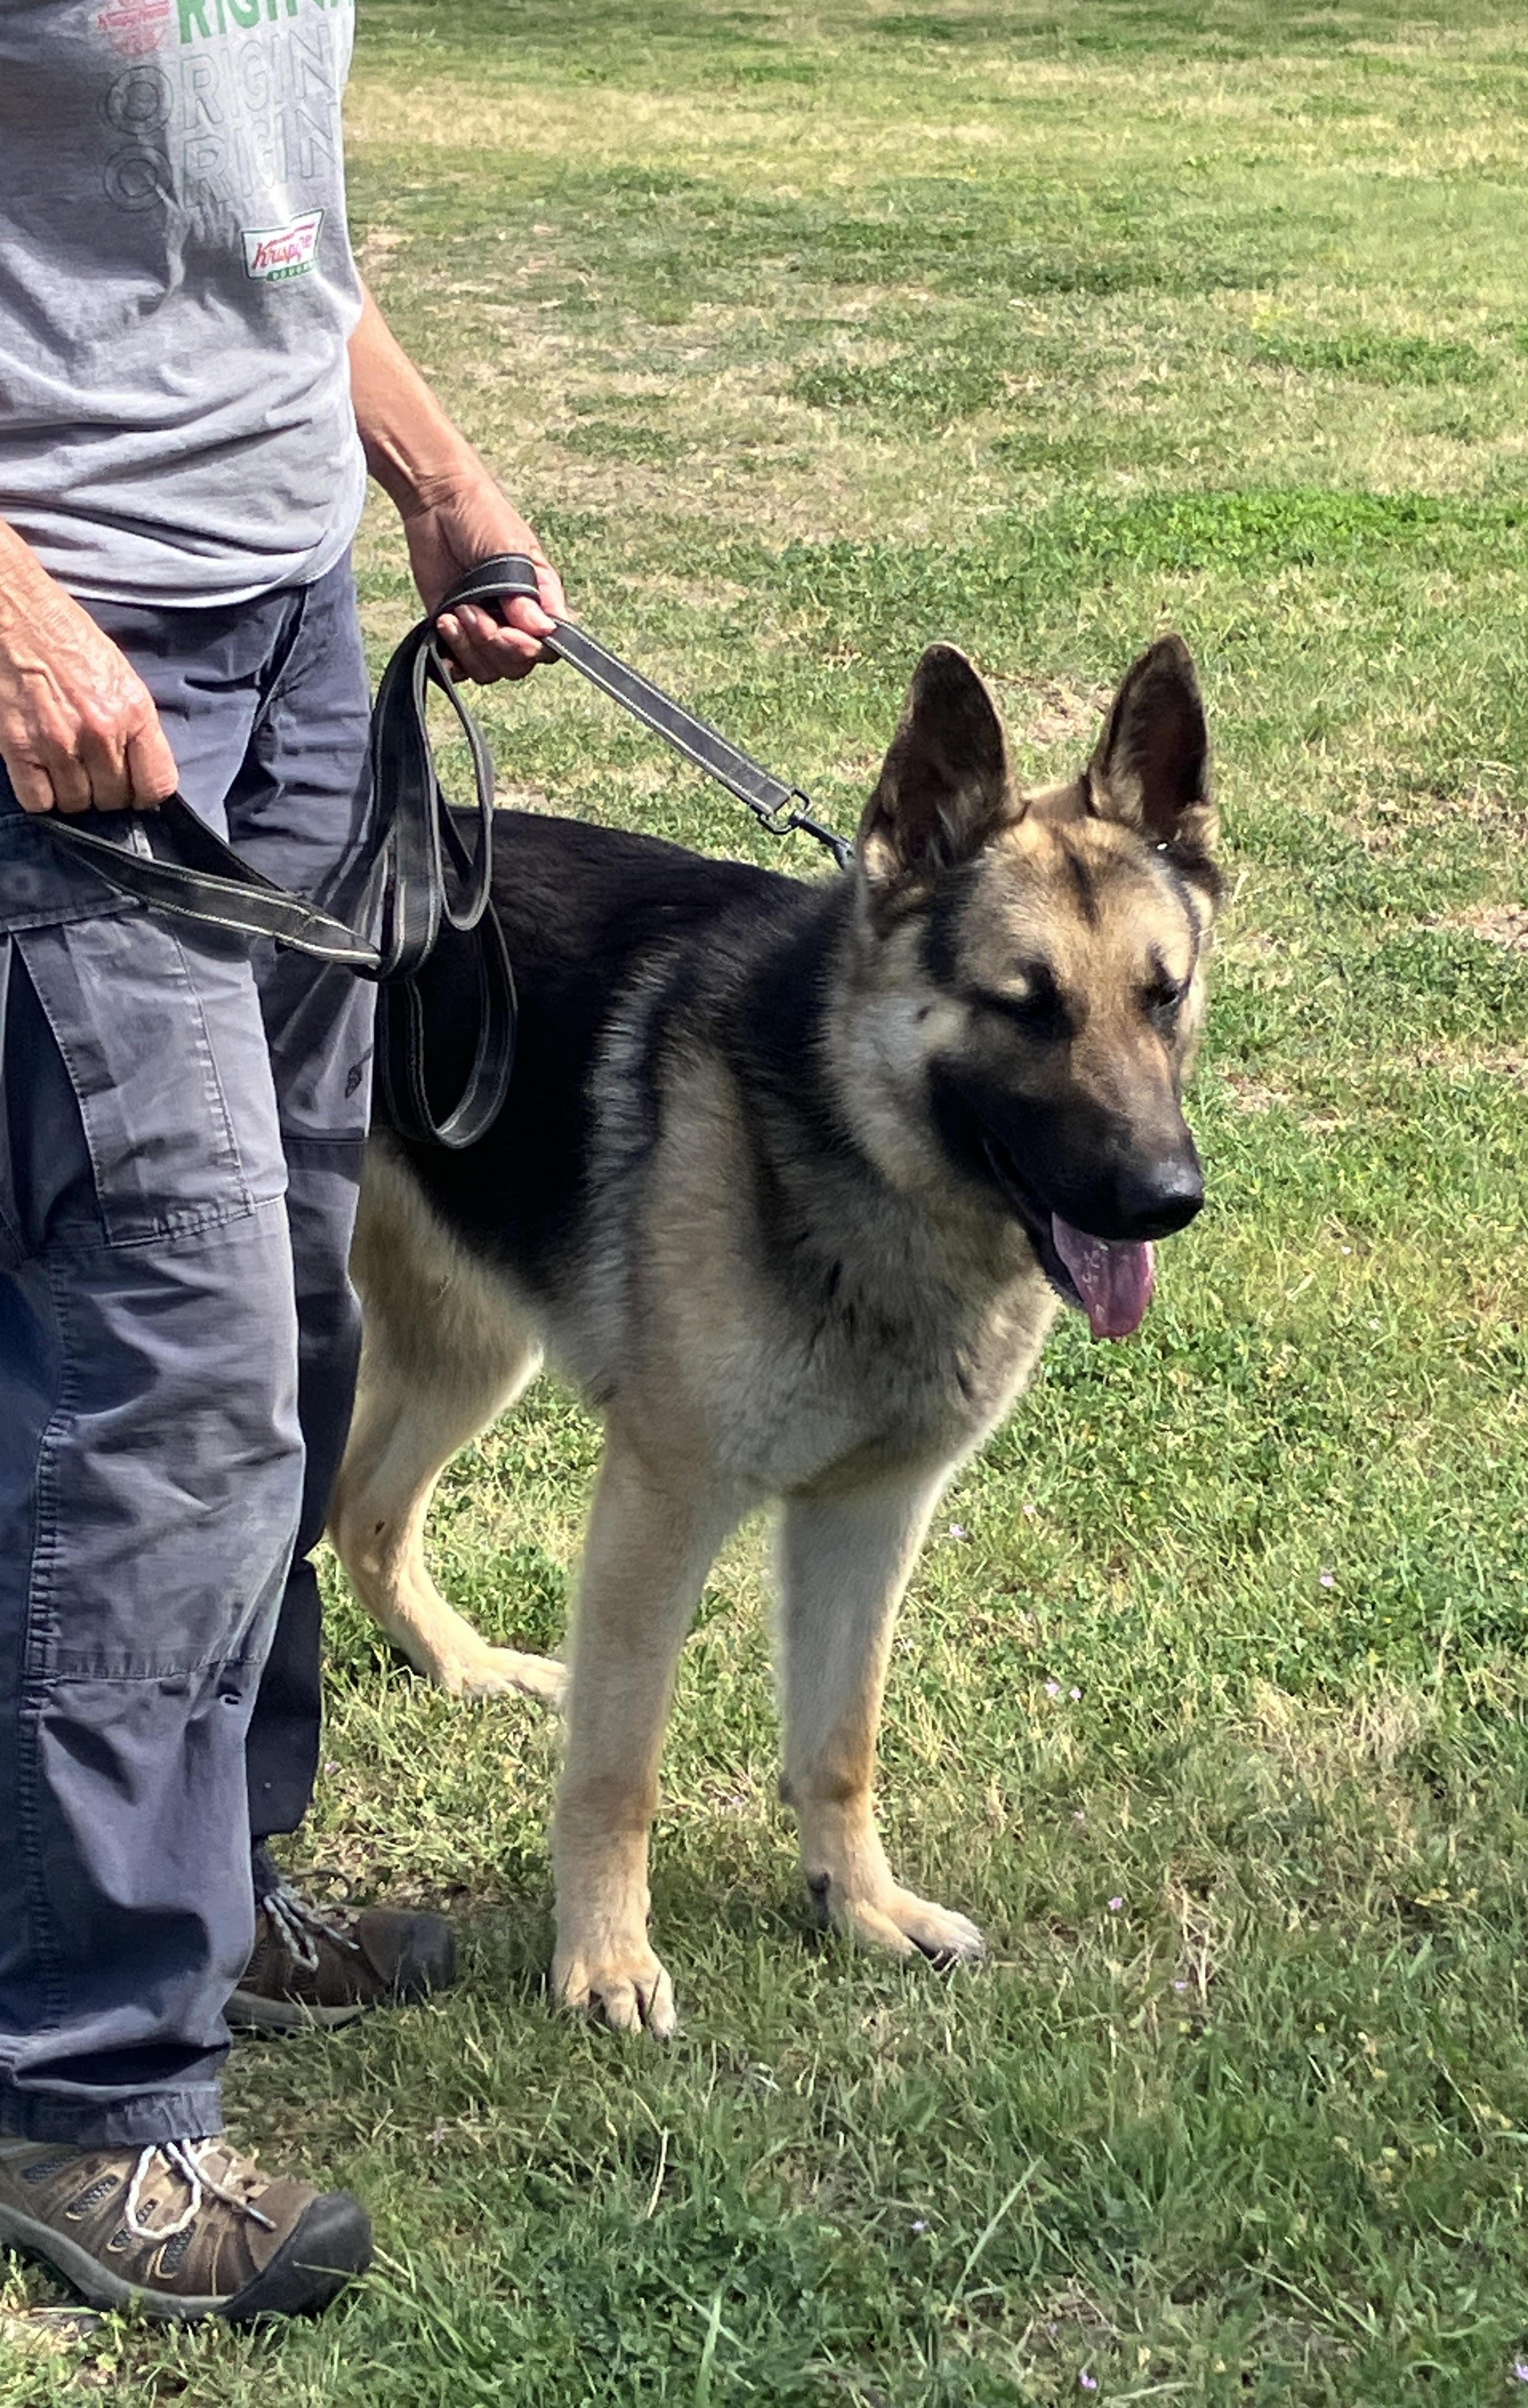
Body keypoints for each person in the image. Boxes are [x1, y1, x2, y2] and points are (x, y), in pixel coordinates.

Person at [0, 1, 565, 2322]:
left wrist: (424, 473)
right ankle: (87, 2092)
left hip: (286, 642)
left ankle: (216, 1886)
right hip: (72, 676)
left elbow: (263, 223)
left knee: (299, 1312)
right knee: (181, 1353)